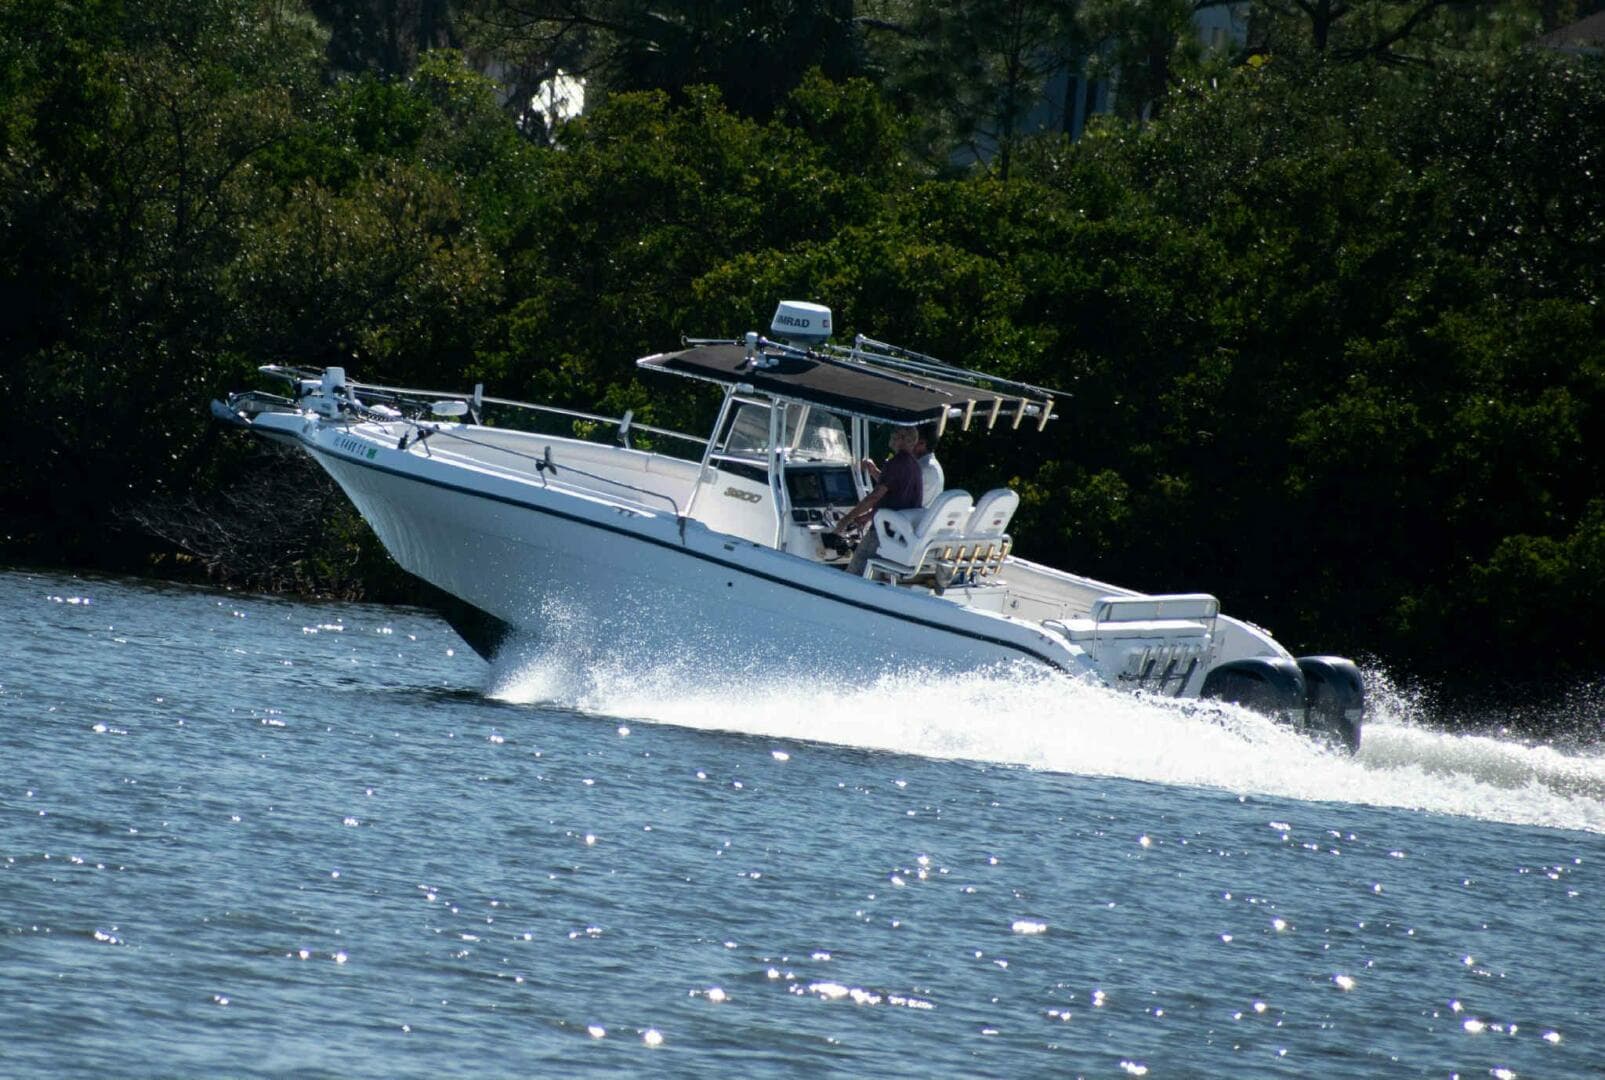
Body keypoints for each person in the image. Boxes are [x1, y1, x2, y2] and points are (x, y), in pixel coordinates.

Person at [835, 426, 922, 576]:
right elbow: (896, 493)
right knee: (873, 576)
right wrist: (869, 516)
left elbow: (875, 496)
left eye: (894, 433)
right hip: (900, 536)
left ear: (901, 438)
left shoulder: (895, 464)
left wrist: (845, 520)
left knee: (854, 574)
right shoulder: (915, 466)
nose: (891, 435)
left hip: (882, 533)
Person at [859, 423, 944, 508]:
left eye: (909, 439)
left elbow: (894, 494)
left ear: (921, 443)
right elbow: (896, 487)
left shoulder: (924, 469)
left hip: (905, 515)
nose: (901, 443)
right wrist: (874, 471)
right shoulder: (926, 465)